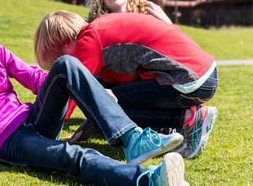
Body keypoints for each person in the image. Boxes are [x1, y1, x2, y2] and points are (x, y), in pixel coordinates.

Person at [0, 5, 188, 186]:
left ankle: (133, 139)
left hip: (33, 117)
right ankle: (148, 180)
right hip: (8, 142)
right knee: (72, 155)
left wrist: (93, 88)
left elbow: (37, 79)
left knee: (66, 65)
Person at [34, 10, 218, 160]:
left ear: (64, 43)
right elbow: (116, 86)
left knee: (110, 107)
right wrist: (85, 129)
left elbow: (70, 102)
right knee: (109, 101)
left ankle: (189, 118)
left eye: (59, 60)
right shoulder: (101, 31)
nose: (65, 64)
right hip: (202, 77)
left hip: (186, 80)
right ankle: (188, 117)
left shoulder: (88, 42)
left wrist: (33, 127)